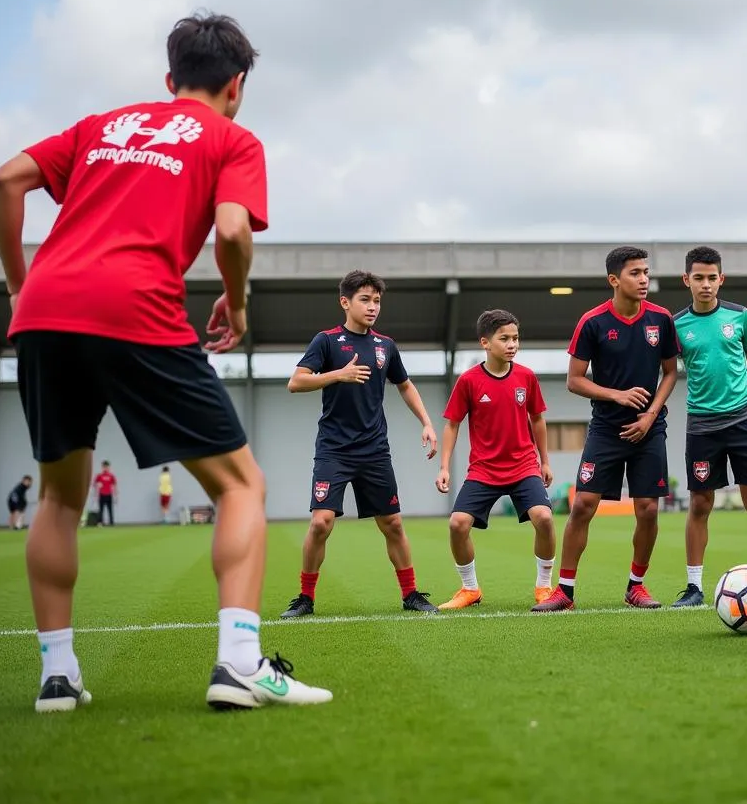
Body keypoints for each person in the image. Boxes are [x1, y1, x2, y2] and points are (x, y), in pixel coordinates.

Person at [0, 11, 331, 712]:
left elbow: (6, 181)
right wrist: (236, 307)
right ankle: (239, 662)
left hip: (45, 313)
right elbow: (233, 230)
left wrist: (21, 284)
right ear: (236, 85)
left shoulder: (101, 126)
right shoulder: (232, 138)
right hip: (135, 306)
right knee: (242, 486)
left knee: (59, 495)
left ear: (169, 78)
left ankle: (57, 676)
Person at [280, 270, 440, 618]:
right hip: (334, 449)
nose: (372, 307)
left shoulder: (386, 346)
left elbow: (405, 385)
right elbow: (296, 382)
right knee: (321, 522)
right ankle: (305, 598)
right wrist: (338, 375)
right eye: (365, 300)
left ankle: (411, 594)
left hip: (374, 450)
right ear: (345, 302)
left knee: (393, 524)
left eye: (377, 301)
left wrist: (426, 422)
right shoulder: (326, 341)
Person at [533, 245, 679, 612]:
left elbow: (671, 372)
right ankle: (564, 591)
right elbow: (574, 380)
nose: (644, 279)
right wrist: (617, 395)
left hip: (649, 430)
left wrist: (650, 415)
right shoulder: (593, 322)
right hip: (606, 430)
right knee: (583, 505)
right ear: (614, 280)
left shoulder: (660, 319)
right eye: (635, 273)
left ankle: (637, 586)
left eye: (646, 272)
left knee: (647, 509)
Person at [671, 246, 747, 608]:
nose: (706, 284)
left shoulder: (741, 317)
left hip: (744, 418)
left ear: (721, 279)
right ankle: (694, 587)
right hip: (701, 425)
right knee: (700, 503)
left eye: (712, 278)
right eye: (699, 278)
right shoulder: (677, 325)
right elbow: (666, 371)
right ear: (687, 280)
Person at [435, 309, 557, 609]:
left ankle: (544, 586)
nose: (512, 344)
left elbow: (538, 419)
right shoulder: (468, 381)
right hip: (484, 469)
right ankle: (470, 589)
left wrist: (545, 461)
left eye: (515, 338)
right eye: (504, 338)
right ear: (485, 343)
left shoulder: (526, 377)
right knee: (457, 524)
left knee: (544, 517)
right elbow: (452, 423)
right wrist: (444, 467)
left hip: (523, 465)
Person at [93, 460, 117, 526]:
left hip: (109, 494)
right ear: (102, 467)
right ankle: (100, 522)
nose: (105, 468)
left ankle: (111, 522)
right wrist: (97, 487)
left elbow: (114, 486)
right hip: (101, 494)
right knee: (101, 509)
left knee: (110, 509)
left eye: (107, 467)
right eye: (104, 467)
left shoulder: (111, 476)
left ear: (109, 467)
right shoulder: (99, 476)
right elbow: (94, 484)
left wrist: (115, 496)